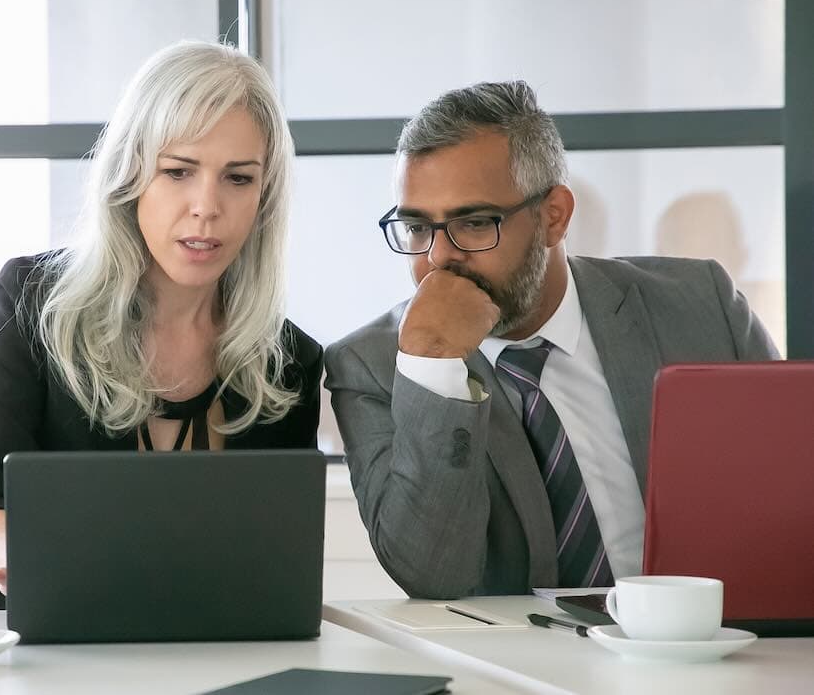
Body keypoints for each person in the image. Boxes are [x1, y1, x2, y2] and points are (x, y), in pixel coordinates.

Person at [324, 81, 778, 599]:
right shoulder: (372, 365)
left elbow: (791, 489)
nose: (439, 258)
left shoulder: (699, 305)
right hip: (517, 674)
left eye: (474, 223)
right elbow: (433, 574)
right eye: (417, 228)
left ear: (554, 216)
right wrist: (434, 364)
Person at [0, 41, 323, 594]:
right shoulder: (37, 304)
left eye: (238, 178)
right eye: (178, 171)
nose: (207, 207)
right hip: (63, 650)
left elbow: (280, 559)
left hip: (223, 652)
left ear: (265, 197)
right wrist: (11, 555)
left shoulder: (289, 361)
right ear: (130, 174)